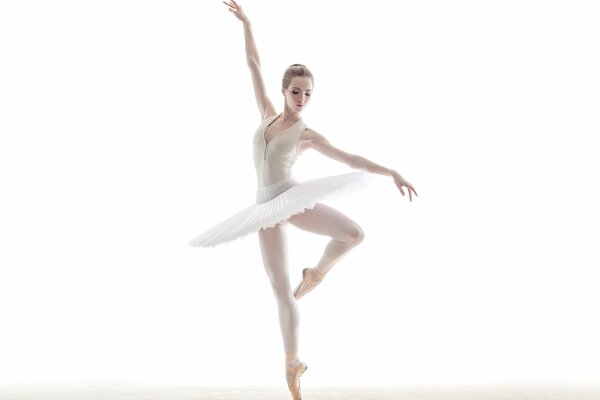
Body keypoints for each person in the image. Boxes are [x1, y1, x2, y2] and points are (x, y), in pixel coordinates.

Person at [190, 1, 418, 398]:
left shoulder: (307, 134)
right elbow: (254, 65)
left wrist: (391, 171)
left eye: (308, 94)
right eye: (296, 91)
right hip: (264, 208)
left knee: (354, 233)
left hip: (291, 198)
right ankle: (292, 364)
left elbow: (350, 157)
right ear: (284, 91)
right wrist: (247, 23)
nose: (301, 98)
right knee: (280, 291)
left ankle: (318, 272)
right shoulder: (266, 114)